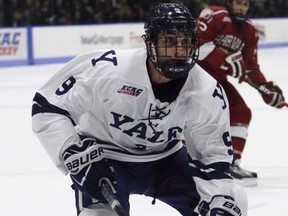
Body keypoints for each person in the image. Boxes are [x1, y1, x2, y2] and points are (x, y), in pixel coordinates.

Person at [32, 3, 247, 216]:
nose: (179, 50)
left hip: (167, 160)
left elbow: (212, 155)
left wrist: (219, 199)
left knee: (232, 200)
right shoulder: (109, 70)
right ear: (149, 42)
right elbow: (47, 105)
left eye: (185, 41)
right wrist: (74, 153)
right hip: (107, 158)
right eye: (169, 41)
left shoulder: (206, 90)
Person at [196, 0, 287, 187]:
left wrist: (266, 89)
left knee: (241, 111)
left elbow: (250, 68)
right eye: (238, 3)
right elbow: (193, 45)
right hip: (191, 75)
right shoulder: (214, 15)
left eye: (245, 4)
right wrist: (224, 57)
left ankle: (232, 162)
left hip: (217, 81)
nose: (241, 8)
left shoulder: (250, 30)